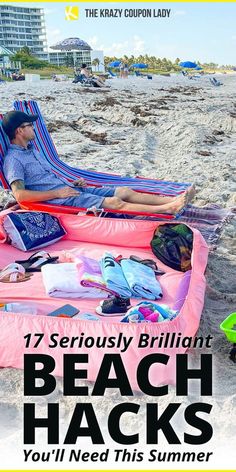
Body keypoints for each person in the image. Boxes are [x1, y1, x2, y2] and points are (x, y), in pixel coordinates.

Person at [2, 111, 195, 215]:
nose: (34, 128)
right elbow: (20, 196)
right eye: (29, 125)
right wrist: (57, 192)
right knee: (115, 202)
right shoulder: (14, 160)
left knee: (125, 191)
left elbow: (46, 176)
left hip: (69, 189)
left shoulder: (33, 150)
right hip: (60, 200)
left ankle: (172, 200)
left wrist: (69, 183)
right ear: (19, 131)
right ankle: (167, 209)